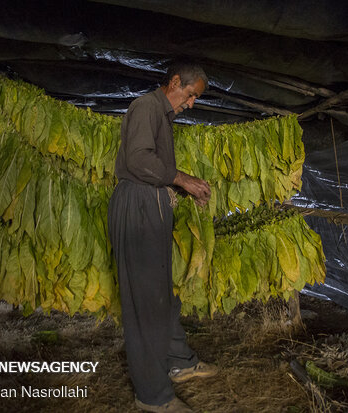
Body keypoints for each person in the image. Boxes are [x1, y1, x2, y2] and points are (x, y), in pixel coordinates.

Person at [107, 61, 218, 413]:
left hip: (150, 205)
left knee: (161, 294)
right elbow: (139, 160)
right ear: (174, 82)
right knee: (145, 302)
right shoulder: (146, 107)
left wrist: (184, 189)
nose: (191, 104)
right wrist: (182, 180)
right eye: (190, 95)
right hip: (138, 206)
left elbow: (156, 170)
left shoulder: (162, 117)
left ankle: (178, 361)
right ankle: (153, 396)